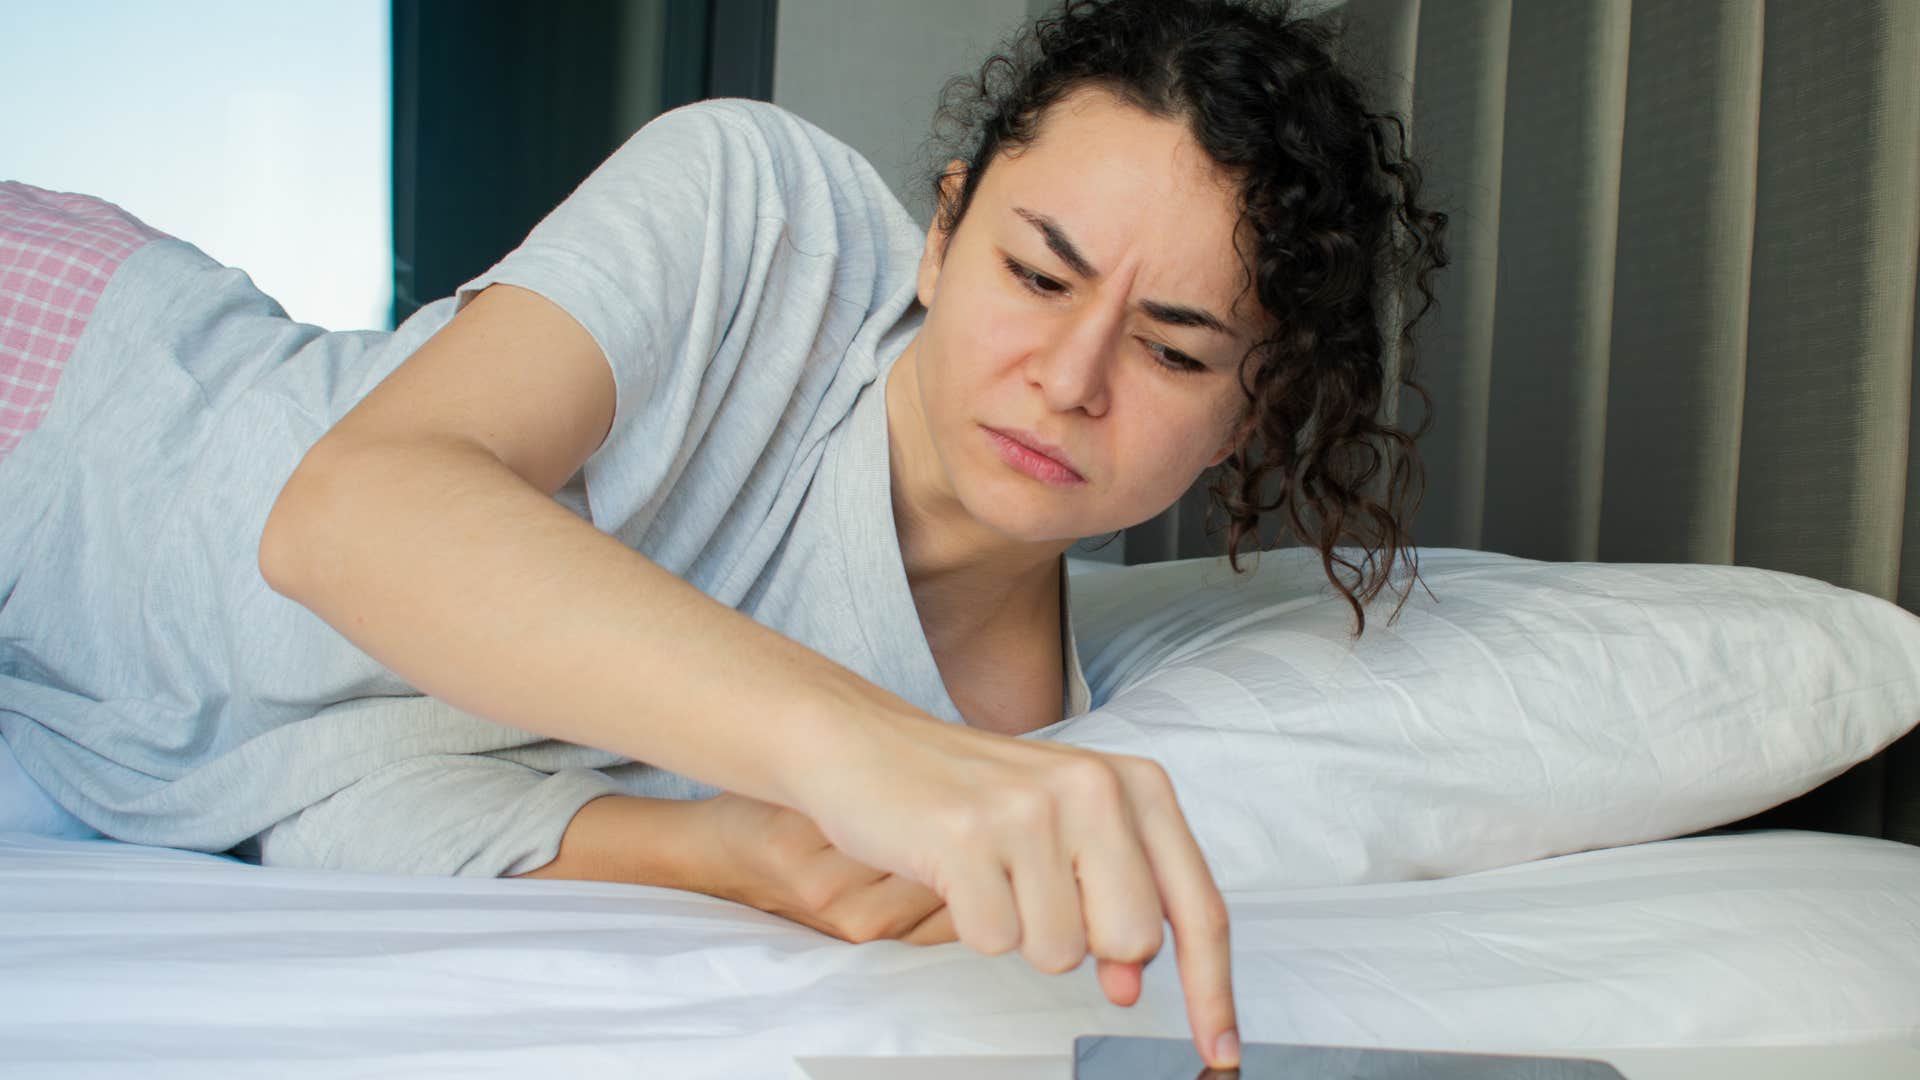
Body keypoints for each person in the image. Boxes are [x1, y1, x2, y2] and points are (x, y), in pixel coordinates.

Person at [0, 0, 1445, 1069]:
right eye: (1034, 273)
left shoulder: (1002, 734)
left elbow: (341, 789)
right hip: (83, 372)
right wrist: (865, 753)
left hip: (78, 694)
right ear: (942, 238)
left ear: (1251, 419)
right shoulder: (767, 219)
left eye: (1177, 354)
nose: (1068, 381)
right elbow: (347, 517)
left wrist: (729, 855)